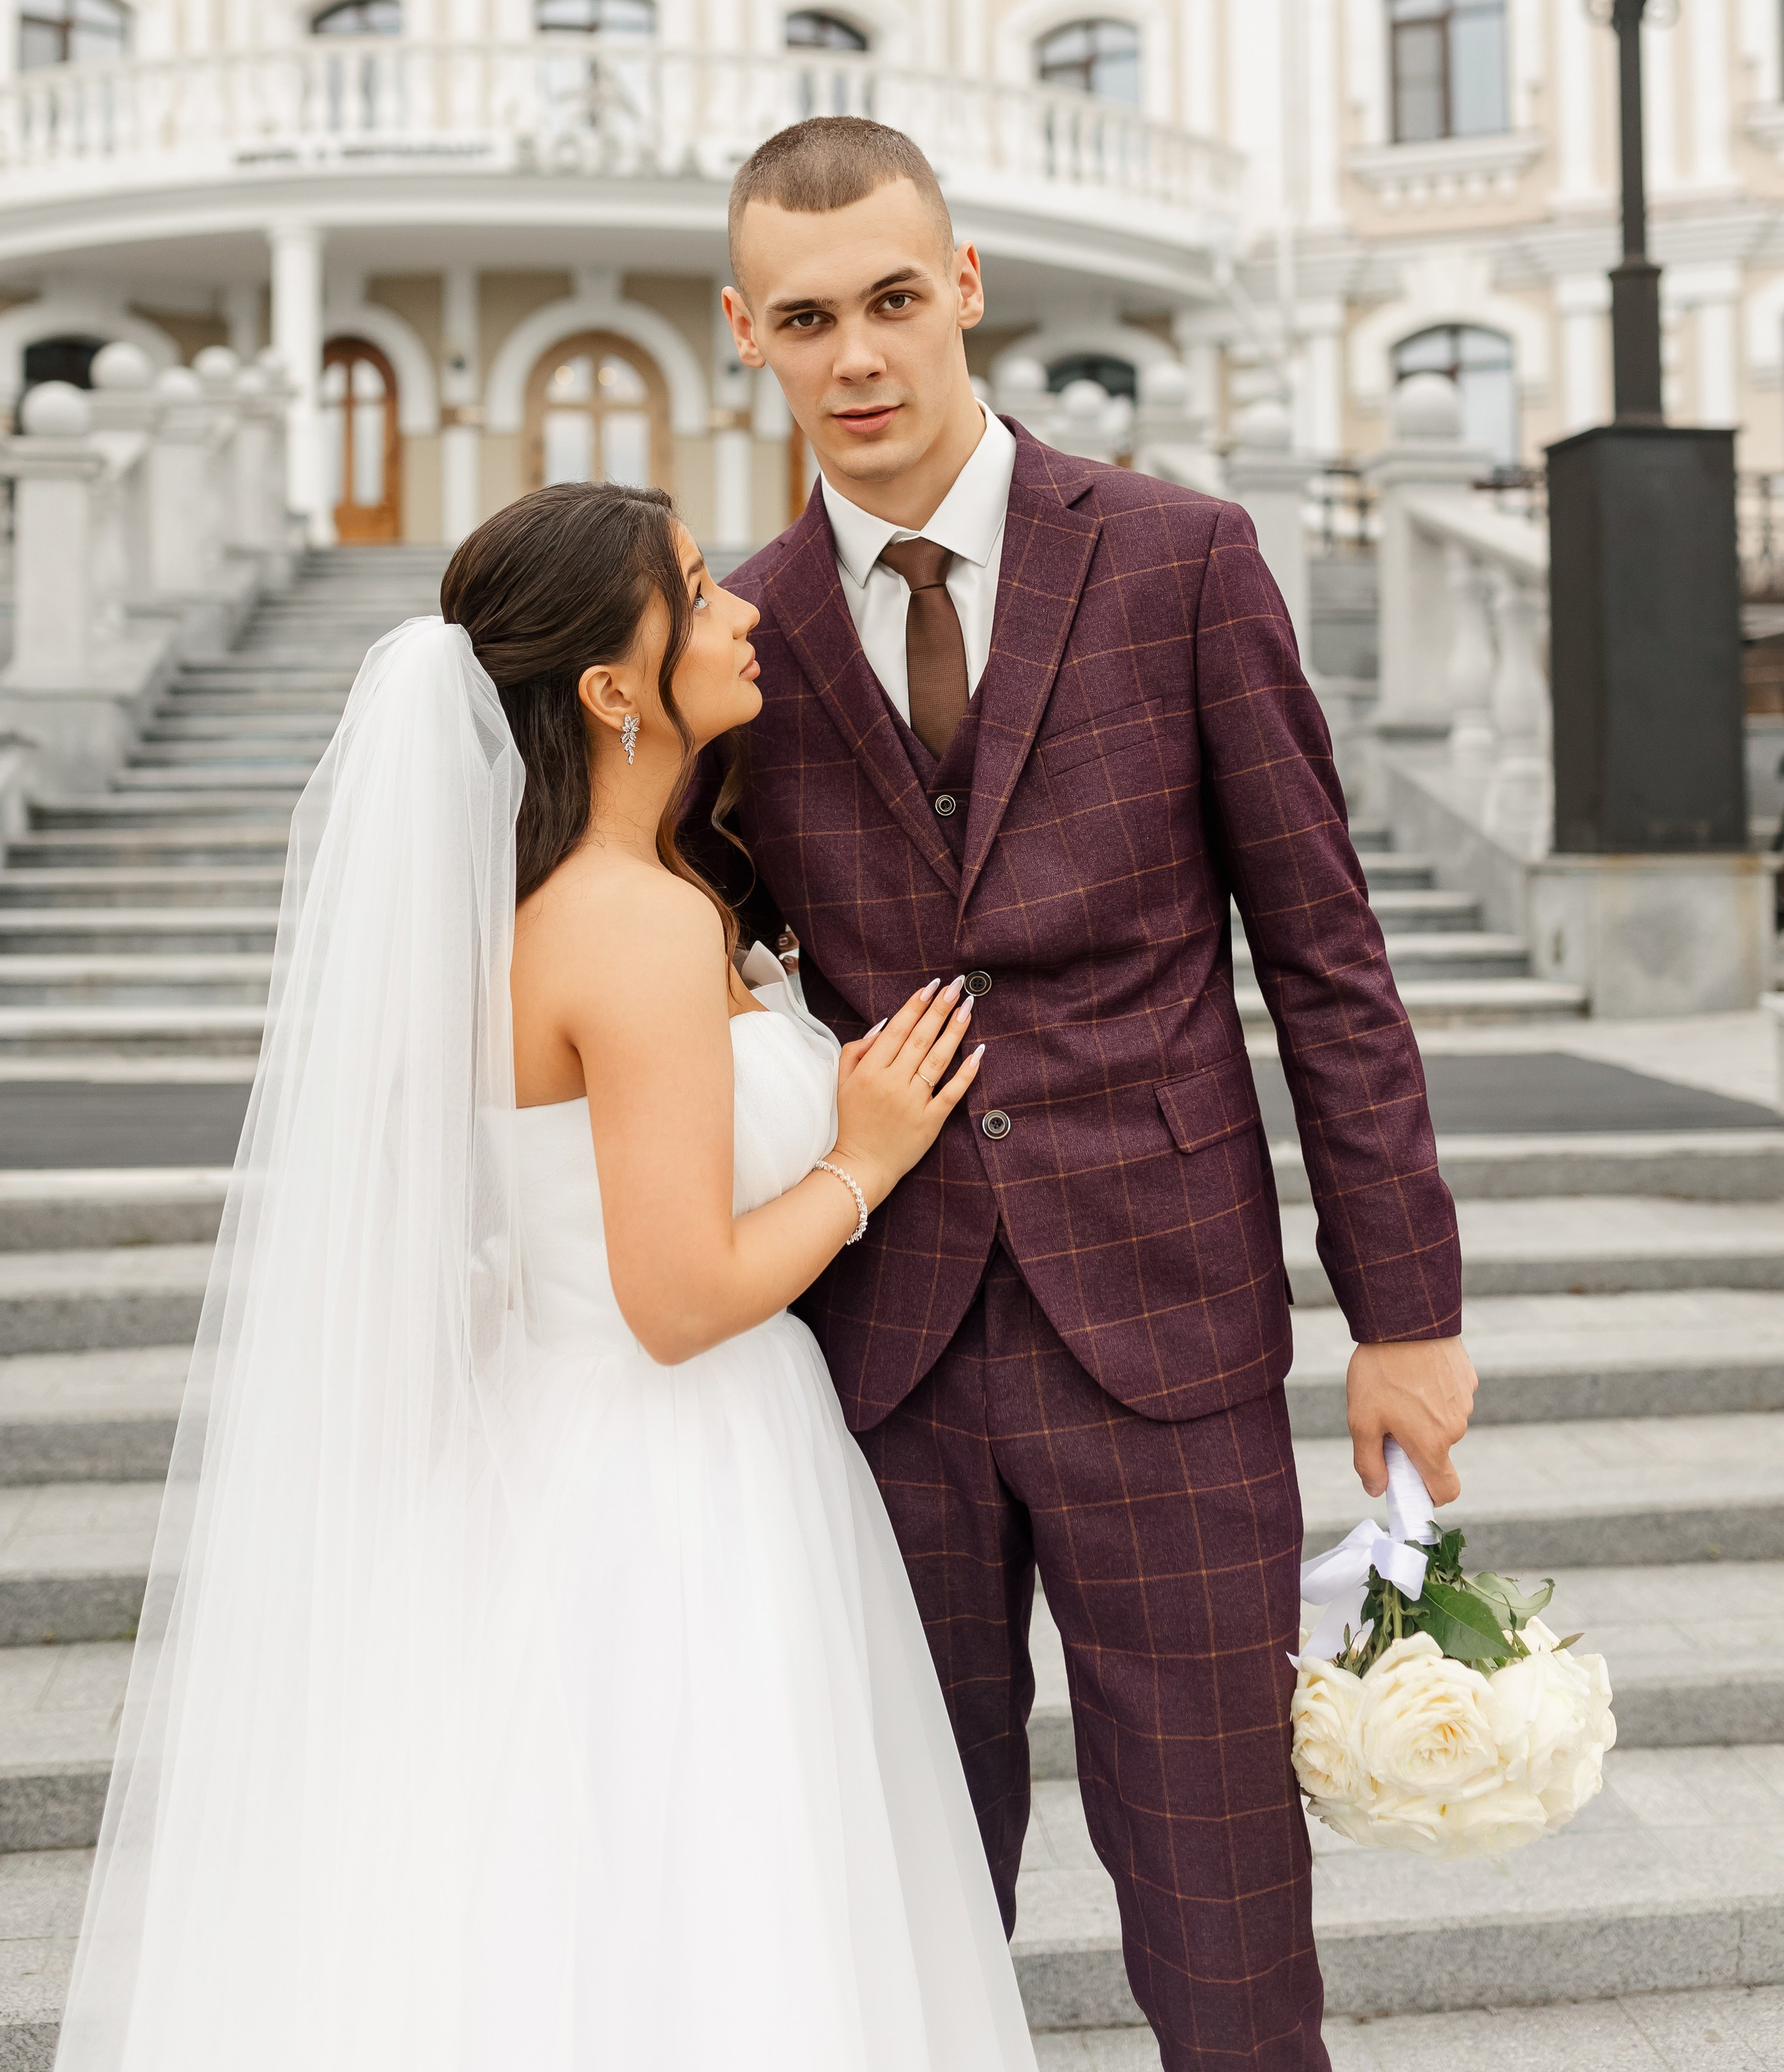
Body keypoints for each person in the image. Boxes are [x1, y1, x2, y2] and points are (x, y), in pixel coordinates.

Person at [55, 483, 1040, 2072]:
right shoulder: (635, 925)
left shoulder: (552, 912)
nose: (744, 617)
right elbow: (675, 1301)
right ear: (609, 686)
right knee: (715, 1919)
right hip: (679, 1473)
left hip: (551, 1449)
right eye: (704, 591)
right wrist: (861, 1156)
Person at [686, 118, 1477, 2071]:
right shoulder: (735, 642)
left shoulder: (1186, 560)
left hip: (1172, 1339)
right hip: (879, 1363)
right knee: (907, 1917)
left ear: (963, 286)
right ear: (746, 335)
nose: (858, 355)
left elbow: (1329, 959)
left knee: (1225, 1930)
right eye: (807, 318)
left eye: (889, 299)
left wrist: (1408, 1310)